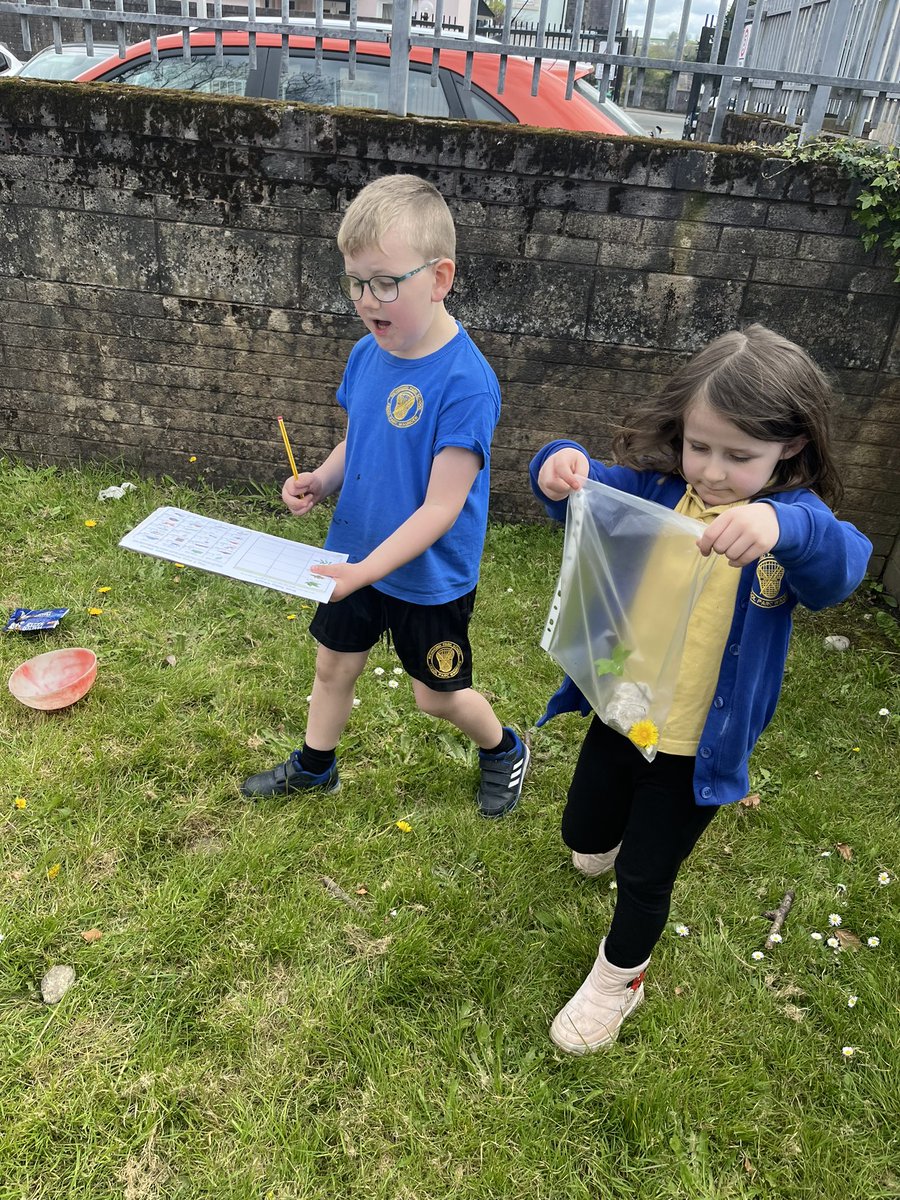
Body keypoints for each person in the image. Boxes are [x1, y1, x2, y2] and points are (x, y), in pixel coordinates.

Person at [530, 324, 871, 1054]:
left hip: (695, 749)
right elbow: (583, 491)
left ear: (792, 447)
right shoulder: (660, 490)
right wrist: (555, 466)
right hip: (623, 713)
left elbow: (842, 567)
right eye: (699, 446)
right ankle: (602, 840)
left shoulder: (793, 524)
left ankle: (619, 979)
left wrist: (780, 525)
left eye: (740, 456)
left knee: (646, 874)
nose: (713, 473)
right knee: (584, 836)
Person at [241, 174, 529, 818]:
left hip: (428, 575)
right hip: (355, 555)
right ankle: (315, 767)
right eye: (355, 282)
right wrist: (322, 478)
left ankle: (504, 747)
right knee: (333, 665)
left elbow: (442, 508)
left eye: (385, 283)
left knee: (436, 695)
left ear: (440, 278)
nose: (367, 300)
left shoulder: (467, 383)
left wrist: (364, 572)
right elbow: (361, 439)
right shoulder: (367, 354)